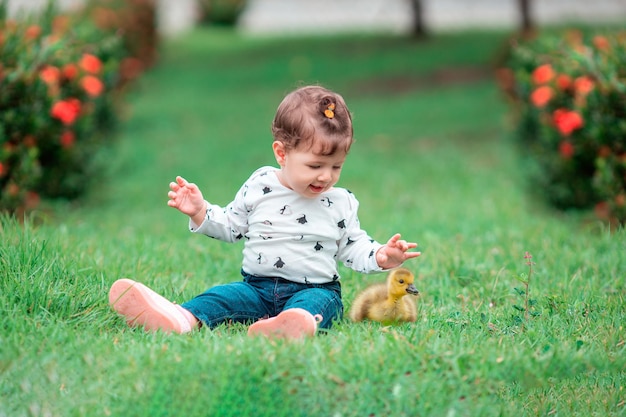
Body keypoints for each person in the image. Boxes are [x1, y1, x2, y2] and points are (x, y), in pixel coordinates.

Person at [109, 85, 420, 339]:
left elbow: (352, 245)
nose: (326, 176)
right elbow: (231, 225)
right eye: (315, 166)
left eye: (336, 166)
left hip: (315, 288)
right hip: (255, 288)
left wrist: (382, 256)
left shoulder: (340, 202)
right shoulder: (260, 185)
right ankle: (180, 318)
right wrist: (200, 211)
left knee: (317, 307)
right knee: (221, 298)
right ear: (281, 153)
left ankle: (292, 325)